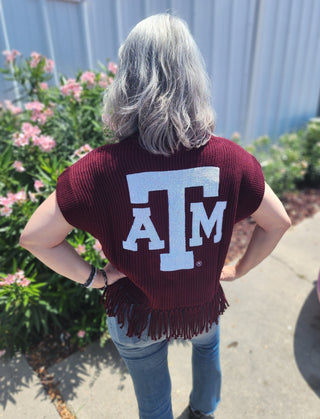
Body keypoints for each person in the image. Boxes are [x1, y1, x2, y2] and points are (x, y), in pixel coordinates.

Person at [20, 13, 291, 419]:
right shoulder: (232, 161)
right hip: (201, 301)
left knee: (153, 400)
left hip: (136, 313)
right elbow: (279, 222)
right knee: (208, 347)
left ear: (126, 79)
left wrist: (96, 277)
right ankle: (204, 410)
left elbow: (35, 237)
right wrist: (239, 270)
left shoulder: (97, 170)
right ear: (194, 78)